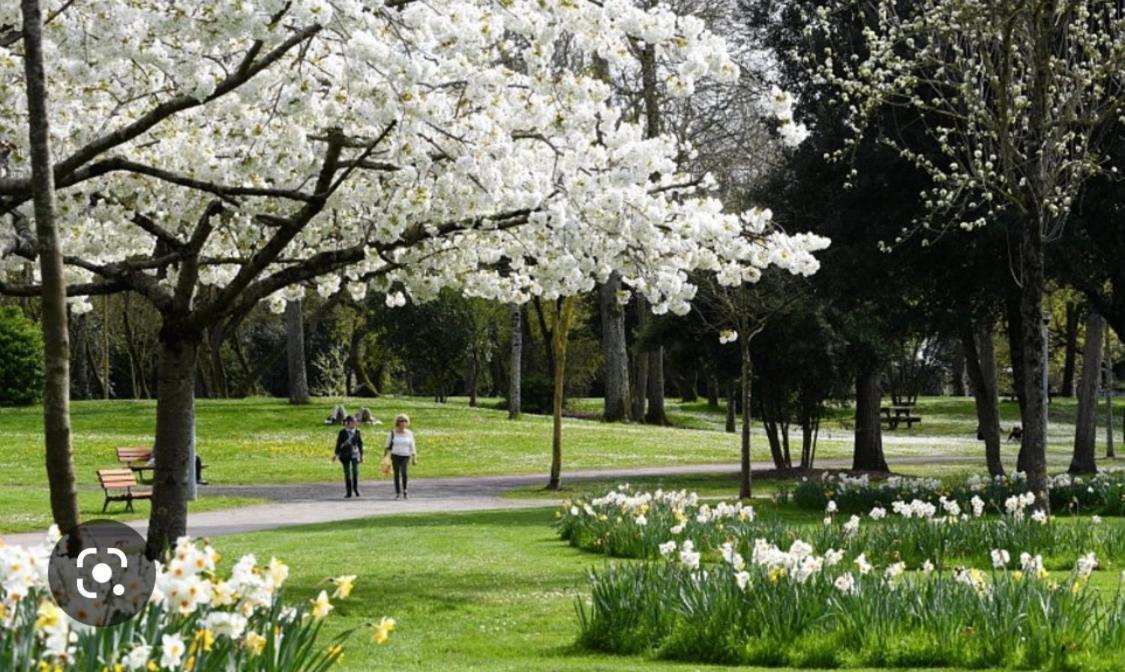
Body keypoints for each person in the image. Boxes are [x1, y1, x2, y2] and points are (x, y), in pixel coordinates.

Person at [384, 414, 418, 500]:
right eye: (401, 421)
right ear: (397, 422)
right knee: (396, 474)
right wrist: (385, 457)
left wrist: (414, 456)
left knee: (404, 473)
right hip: (395, 455)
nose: (403, 423)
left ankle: (405, 490)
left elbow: (412, 445)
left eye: (405, 421)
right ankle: (397, 492)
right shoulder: (393, 433)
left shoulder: (409, 433)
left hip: (405, 455)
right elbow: (387, 445)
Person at [334, 415, 364, 498]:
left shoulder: (357, 432)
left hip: (354, 454)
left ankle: (355, 488)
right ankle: (348, 491)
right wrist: (335, 454)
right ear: (349, 422)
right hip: (345, 454)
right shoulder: (342, 432)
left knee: (355, 471)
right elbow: (338, 443)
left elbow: (360, 444)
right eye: (354, 421)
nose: (356, 423)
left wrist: (361, 455)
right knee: (347, 472)